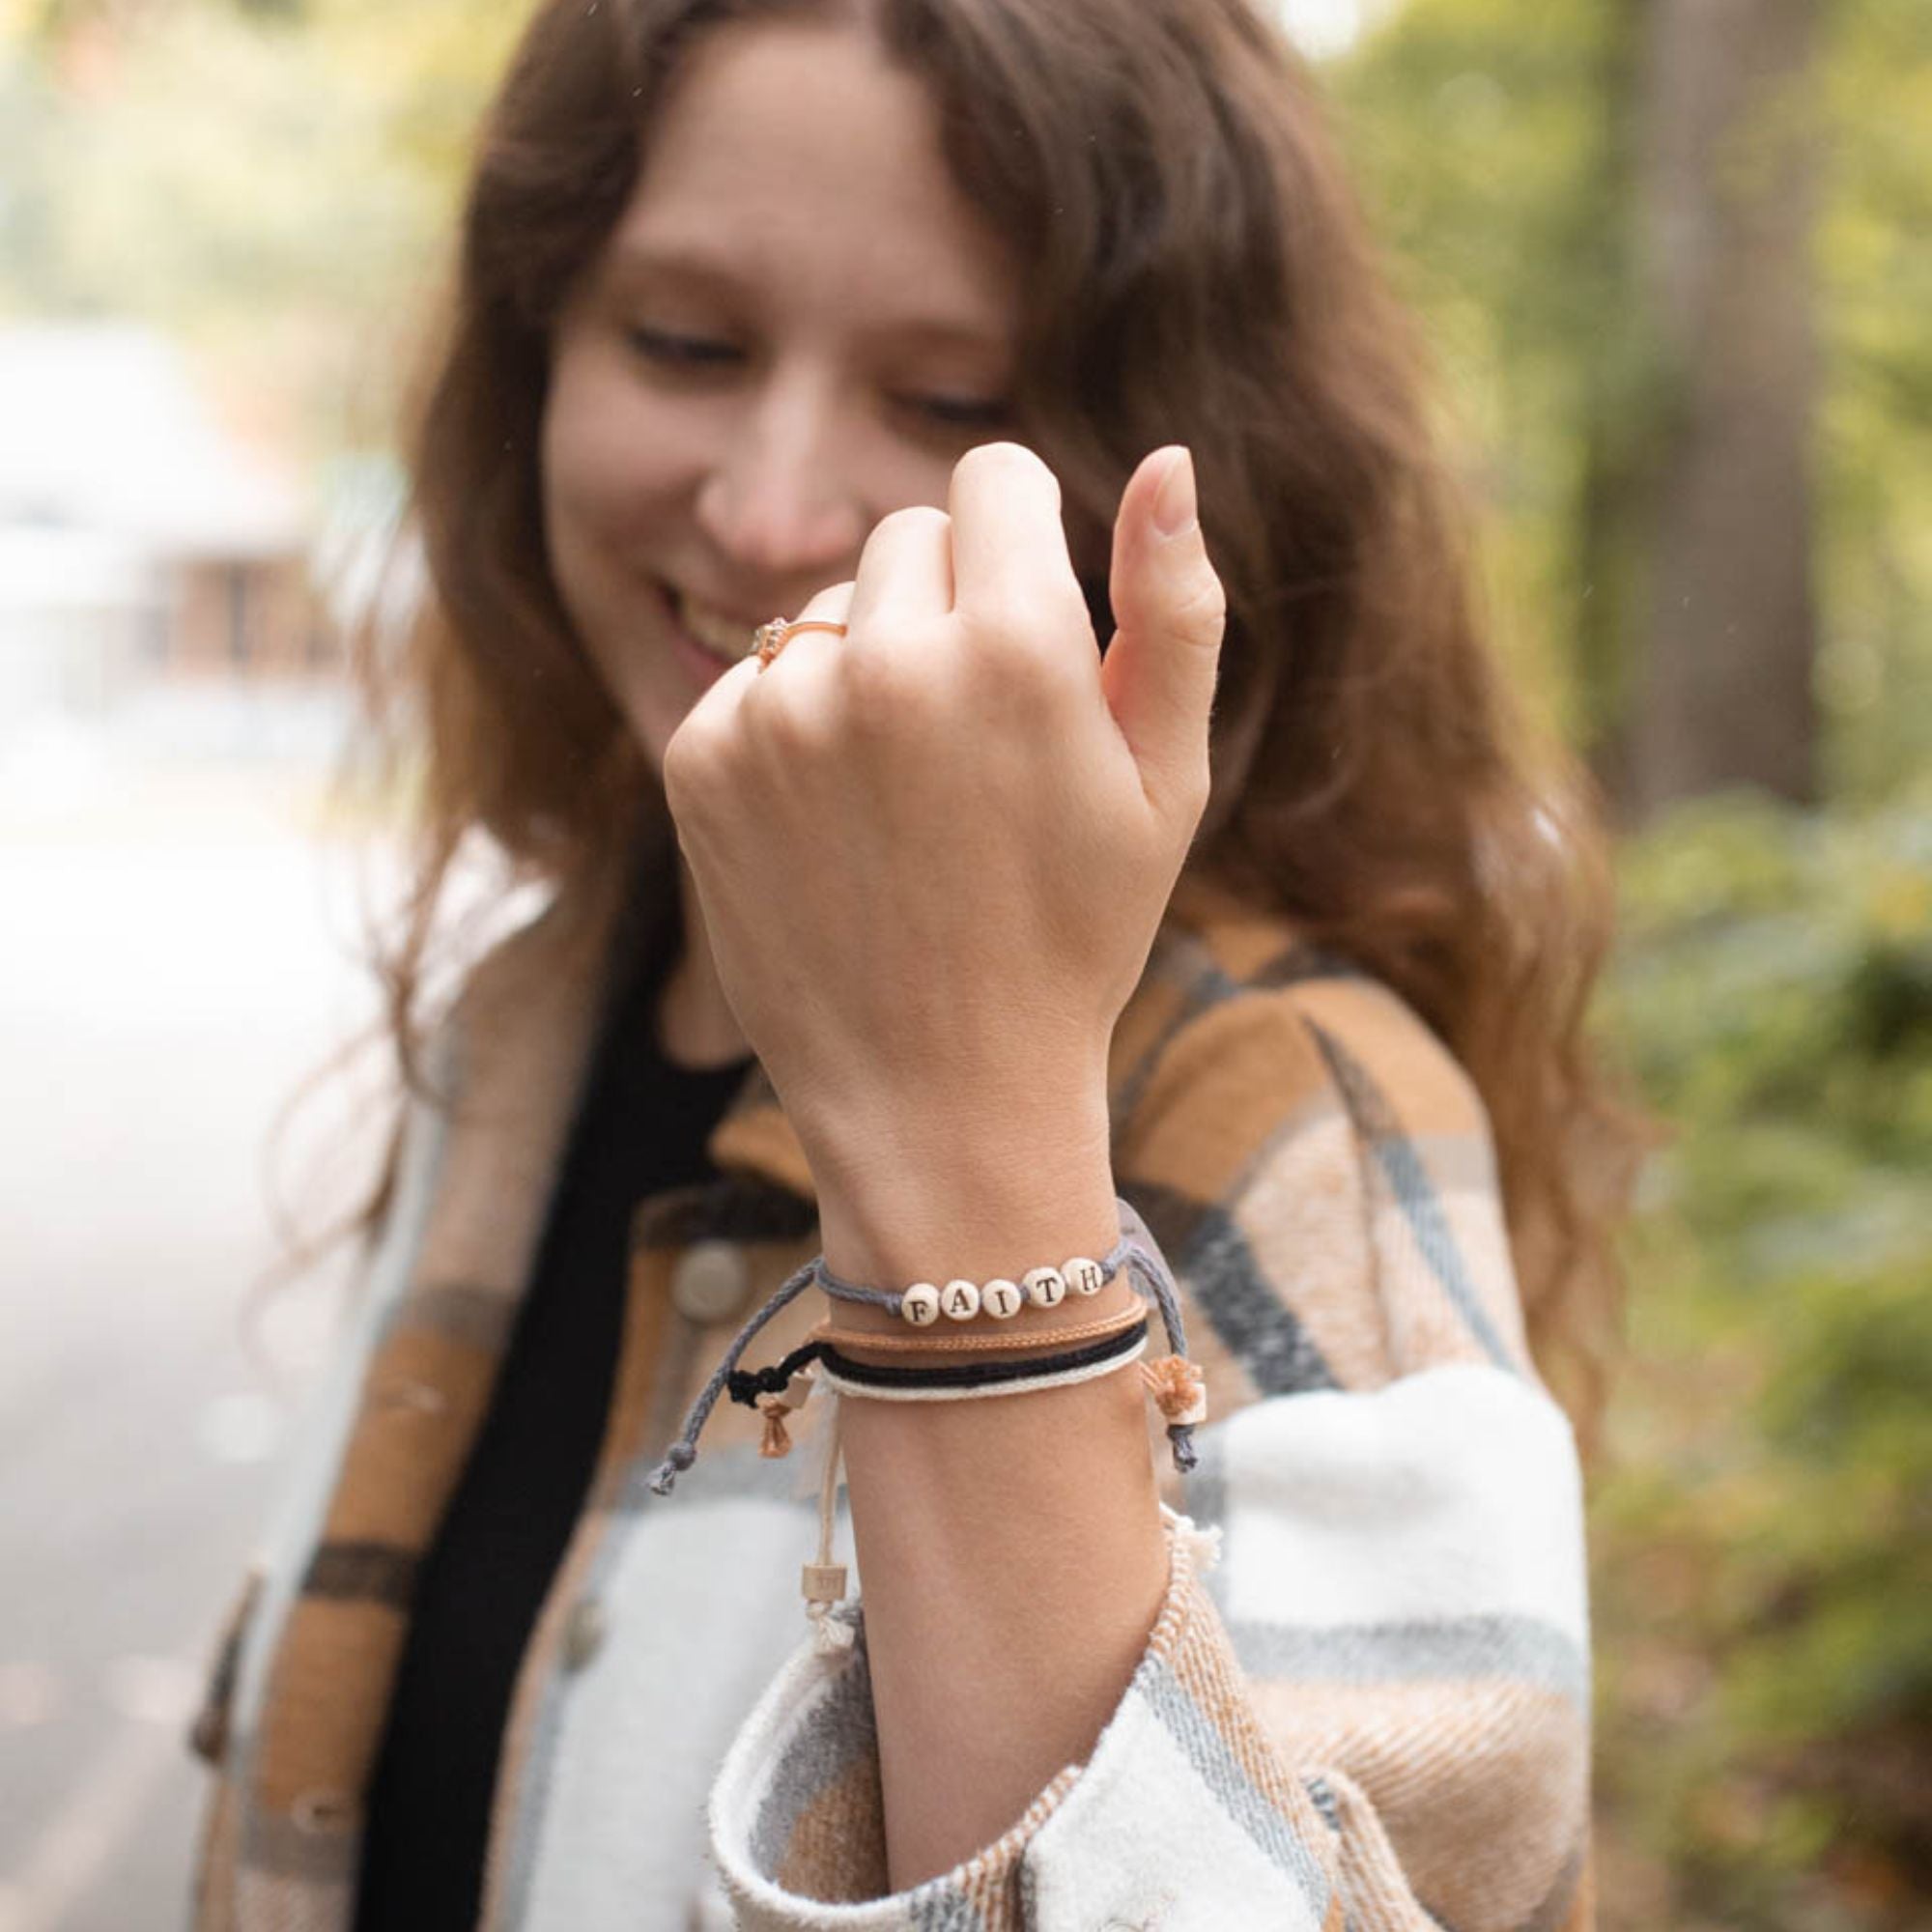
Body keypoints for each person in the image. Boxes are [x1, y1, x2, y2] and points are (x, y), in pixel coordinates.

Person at [187, 0, 1639, 1926]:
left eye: (952, 399)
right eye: (683, 342)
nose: (773, 510)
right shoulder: (527, 1018)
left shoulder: (1295, 1123)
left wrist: (963, 1165)